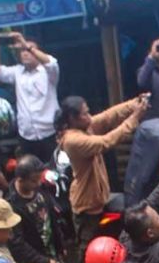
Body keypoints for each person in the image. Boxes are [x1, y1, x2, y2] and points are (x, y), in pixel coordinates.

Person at [57, 94, 146, 244]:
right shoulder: (73, 140)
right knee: (88, 248)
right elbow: (106, 142)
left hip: (101, 197)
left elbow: (108, 116)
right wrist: (134, 118)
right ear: (73, 118)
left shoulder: (84, 126)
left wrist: (134, 103)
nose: (89, 117)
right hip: (87, 205)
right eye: (85, 114)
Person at [0, 31, 60, 160]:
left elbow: (51, 63)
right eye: (22, 50)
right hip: (27, 134)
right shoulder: (17, 71)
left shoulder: (49, 72)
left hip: (49, 132)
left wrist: (24, 43)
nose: (25, 53)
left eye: (29, 50)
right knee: (31, 173)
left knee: (56, 170)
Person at [6, 155, 65, 263]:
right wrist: (43, 261)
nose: (38, 183)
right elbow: (18, 244)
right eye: (34, 181)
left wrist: (60, 245)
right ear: (20, 180)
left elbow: (51, 218)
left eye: (39, 178)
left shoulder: (40, 188)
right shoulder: (12, 205)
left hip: (53, 254)